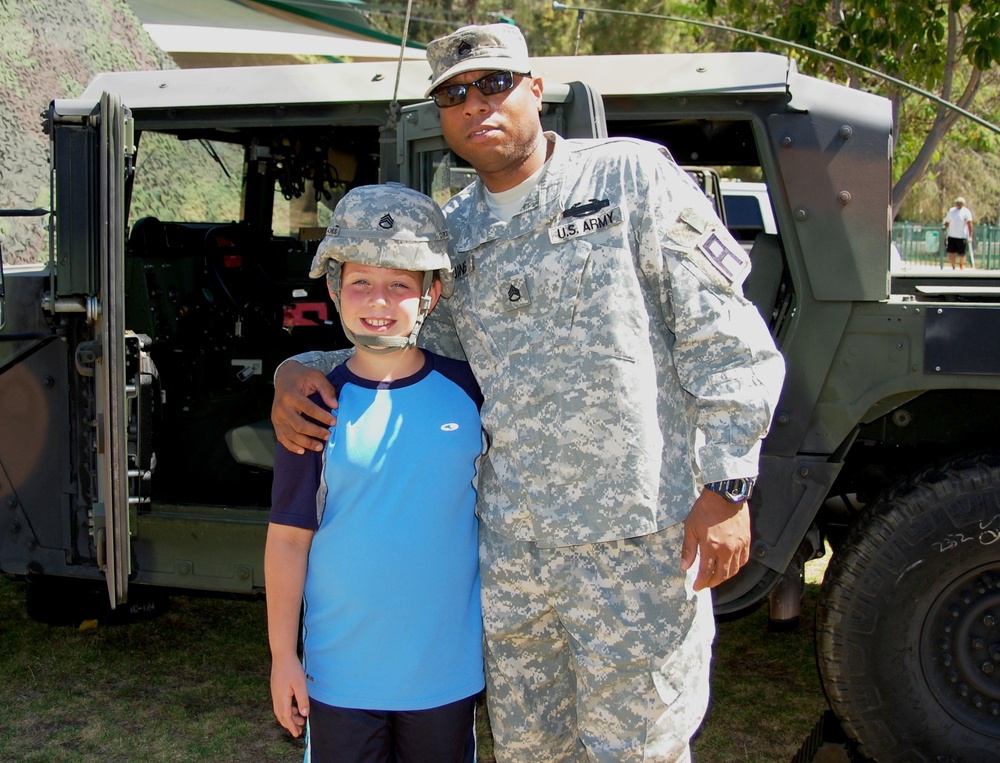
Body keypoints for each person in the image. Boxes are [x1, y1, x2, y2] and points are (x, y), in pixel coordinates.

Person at [271, 23, 786, 763]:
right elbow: (404, 343)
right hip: (517, 561)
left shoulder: (630, 180)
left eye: (494, 83)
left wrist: (729, 484)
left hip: (635, 545)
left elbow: (726, 336)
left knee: (638, 750)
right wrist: (301, 365)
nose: (476, 102)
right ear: (441, 116)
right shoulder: (449, 235)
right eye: (454, 93)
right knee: (530, 751)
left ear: (535, 90)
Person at [265, 183, 486, 763]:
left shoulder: (473, 393)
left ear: (431, 295)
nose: (378, 300)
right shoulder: (312, 403)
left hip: (443, 671)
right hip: (341, 676)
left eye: (400, 285)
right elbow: (288, 539)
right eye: (361, 281)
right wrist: (284, 658)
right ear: (336, 289)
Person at [943, 196, 974, 270]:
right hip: (952, 235)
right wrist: (945, 228)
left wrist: (970, 236)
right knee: (952, 252)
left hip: (962, 236)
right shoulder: (952, 211)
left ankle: (961, 265)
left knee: (962, 253)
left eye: (960, 203)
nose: (959, 204)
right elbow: (947, 221)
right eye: (957, 203)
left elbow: (970, 224)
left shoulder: (966, 212)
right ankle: (953, 266)